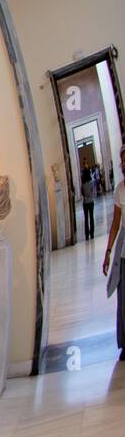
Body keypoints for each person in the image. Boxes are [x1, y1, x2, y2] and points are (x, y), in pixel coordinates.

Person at [101, 144, 125, 360]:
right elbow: (116, 224)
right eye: (123, 161)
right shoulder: (120, 189)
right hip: (124, 251)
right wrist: (108, 251)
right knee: (124, 298)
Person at [82, 165, 98, 239]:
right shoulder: (91, 182)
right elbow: (93, 192)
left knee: (86, 218)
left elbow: (82, 193)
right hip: (91, 201)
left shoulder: (83, 184)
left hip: (85, 202)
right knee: (91, 217)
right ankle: (92, 233)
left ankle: (86, 235)